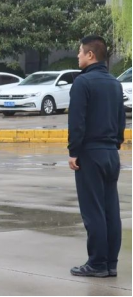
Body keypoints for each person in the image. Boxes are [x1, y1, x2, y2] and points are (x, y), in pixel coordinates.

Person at [68, 36, 126, 278]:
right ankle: (111, 263)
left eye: (80, 52)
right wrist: (115, 144)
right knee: (111, 210)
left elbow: (77, 121)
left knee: (93, 211)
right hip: (111, 153)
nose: (78, 56)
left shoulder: (82, 83)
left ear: (91, 55)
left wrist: (73, 151)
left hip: (90, 153)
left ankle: (97, 263)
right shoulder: (115, 83)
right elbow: (121, 120)